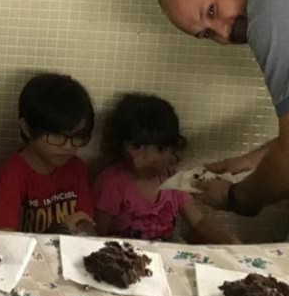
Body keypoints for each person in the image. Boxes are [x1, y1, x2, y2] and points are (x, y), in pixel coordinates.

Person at [157, 0, 289, 220]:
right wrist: (254, 160)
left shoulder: (267, 13)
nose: (224, 33)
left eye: (211, 11)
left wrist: (237, 198)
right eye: (207, 34)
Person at [93, 93, 236, 244]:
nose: (150, 158)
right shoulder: (112, 183)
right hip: (123, 251)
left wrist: (231, 243)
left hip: (166, 251)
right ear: (120, 145)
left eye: (160, 148)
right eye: (137, 146)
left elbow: (198, 221)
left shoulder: (173, 180)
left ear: (173, 149)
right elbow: (96, 233)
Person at [0, 73, 96, 234]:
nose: (68, 146)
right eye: (57, 135)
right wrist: (62, 229)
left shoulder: (75, 167)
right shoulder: (11, 176)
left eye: (77, 137)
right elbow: (4, 239)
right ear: (27, 129)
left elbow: (87, 227)